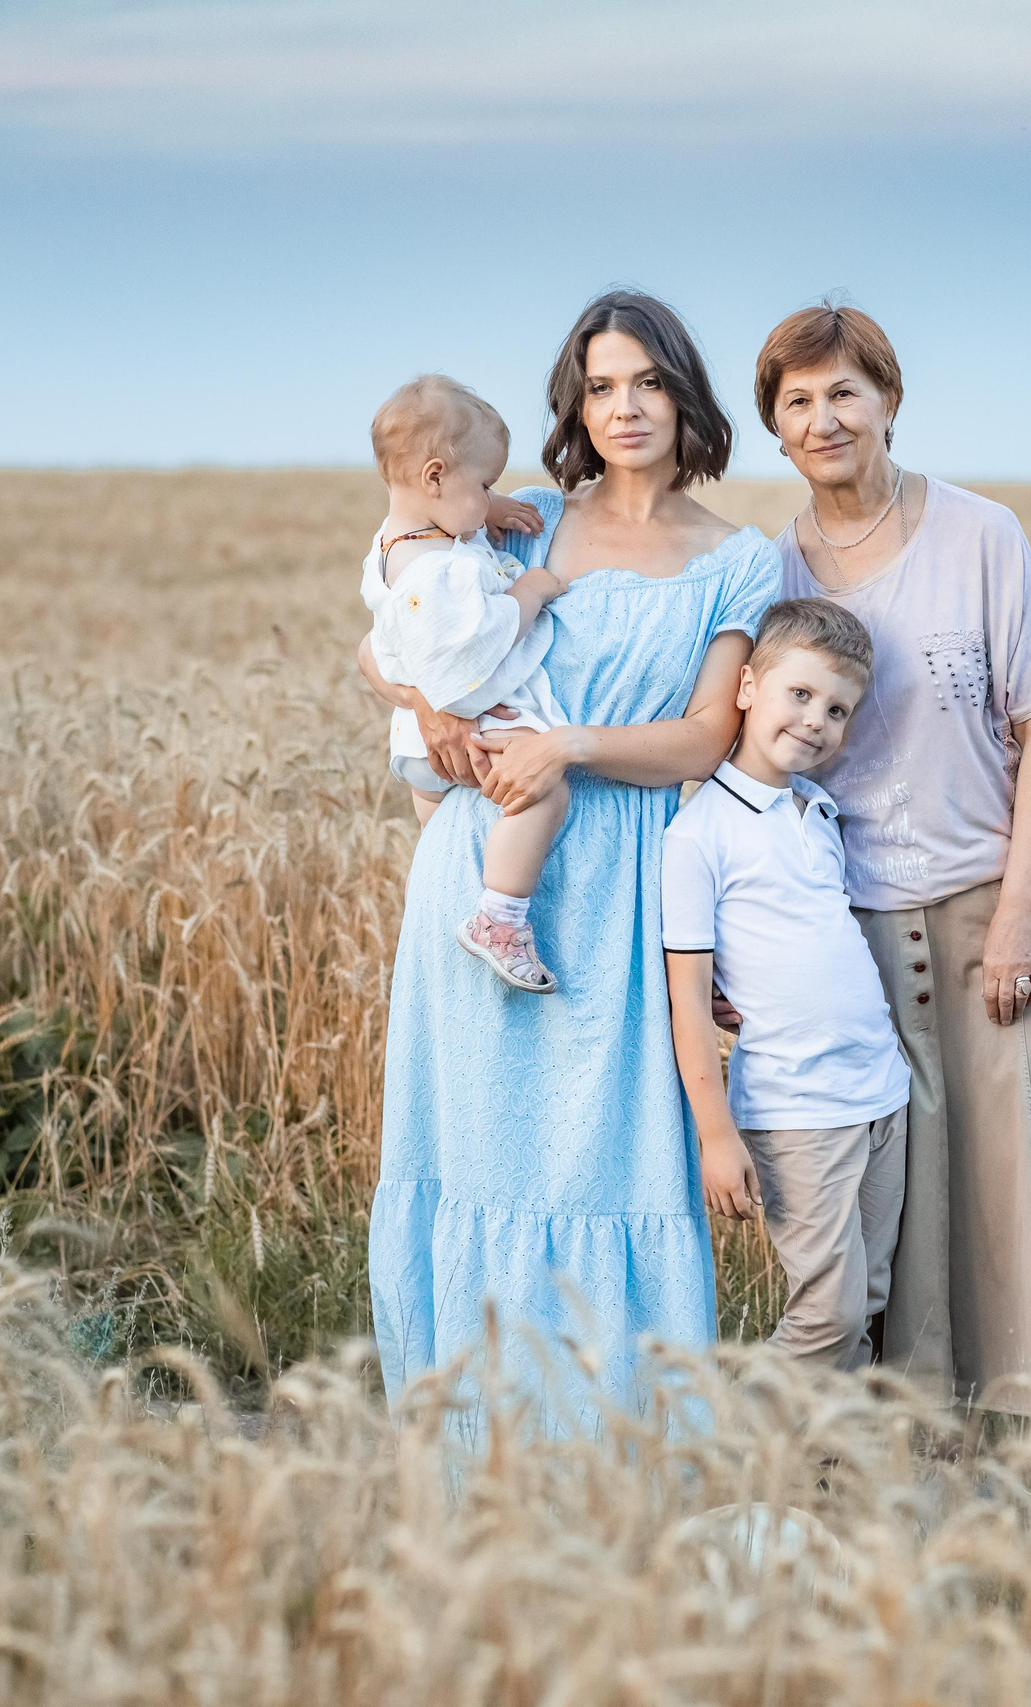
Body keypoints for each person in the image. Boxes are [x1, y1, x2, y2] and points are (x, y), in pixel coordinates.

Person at [753, 301, 1031, 1413]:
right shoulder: (768, 571)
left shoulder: (980, 535)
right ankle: (932, 1432)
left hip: (998, 896)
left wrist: (1022, 915)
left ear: (889, 400)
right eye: (797, 401)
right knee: (912, 1184)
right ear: (775, 428)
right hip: (853, 924)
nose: (824, 417)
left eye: (844, 390)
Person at [362, 292, 779, 1420]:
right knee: (477, 1160)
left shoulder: (738, 561)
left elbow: (705, 736)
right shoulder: (520, 522)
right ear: (575, 403)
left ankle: (611, 1462)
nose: (624, 406)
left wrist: (569, 747)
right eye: (600, 386)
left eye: (646, 381)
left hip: (618, 887)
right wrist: (427, 712)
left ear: (683, 395)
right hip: (484, 873)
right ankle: (468, 1458)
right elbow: (386, 636)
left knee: (606, 1166)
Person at [663, 599, 911, 1371]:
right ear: (746, 687)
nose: (815, 720)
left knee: (866, 1300)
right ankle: (737, 1452)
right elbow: (689, 1001)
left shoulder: (819, 813)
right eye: (798, 694)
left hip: (880, 1094)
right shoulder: (699, 836)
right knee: (827, 1314)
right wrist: (715, 1133)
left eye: (837, 709)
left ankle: (826, 1474)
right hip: (797, 1110)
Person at [357, 375, 572, 992]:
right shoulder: (439, 573)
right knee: (546, 792)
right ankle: (499, 919)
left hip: (412, 746)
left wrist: (486, 511)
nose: (489, 498)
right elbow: (473, 659)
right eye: (485, 485)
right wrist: (529, 592)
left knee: (447, 848)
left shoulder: (396, 541)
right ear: (434, 477)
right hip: (470, 732)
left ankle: (452, 890)